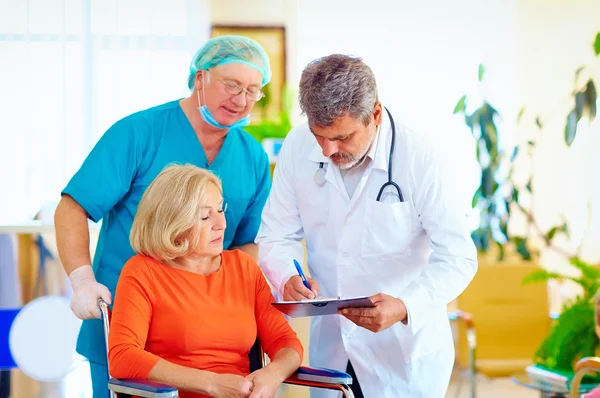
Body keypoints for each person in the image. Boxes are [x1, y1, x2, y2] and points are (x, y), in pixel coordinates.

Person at [54, 35, 273, 397]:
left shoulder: (252, 157)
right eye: (231, 85)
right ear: (200, 78)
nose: (241, 99)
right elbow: (74, 206)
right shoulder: (139, 133)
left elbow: (247, 243)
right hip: (128, 320)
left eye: (253, 90)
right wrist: (81, 280)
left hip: (206, 337)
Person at [256, 54, 478, 397]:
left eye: (343, 137)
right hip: (332, 348)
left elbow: (459, 257)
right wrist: (286, 276)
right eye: (320, 135)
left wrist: (405, 305)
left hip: (402, 356)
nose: (329, 150)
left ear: (374, 114)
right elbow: (275, 233)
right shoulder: (298, 146)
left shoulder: (421, 156)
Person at [108, 164, 302, 398]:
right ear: (173, 224)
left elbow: (286, 342)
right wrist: (211, 383)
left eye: (220, 210)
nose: (221, 224)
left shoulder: (243, 267)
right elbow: (122, 356)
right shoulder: (143, 272)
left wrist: (273, 373)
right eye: (204, 216)